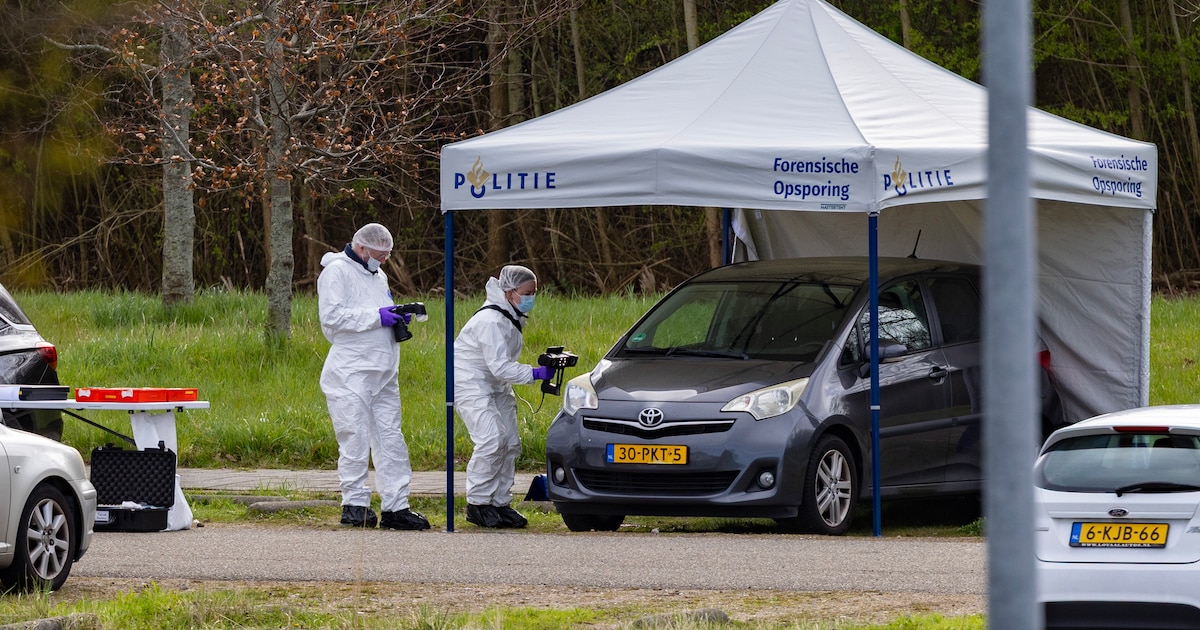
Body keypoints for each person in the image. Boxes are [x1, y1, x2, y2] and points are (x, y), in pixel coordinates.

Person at [317, 222, 430, 530]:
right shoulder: (336, 272)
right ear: (362, 248)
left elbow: (378, 312)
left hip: (383, 370)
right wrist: (376, 317)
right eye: (379, 255)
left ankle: (396, 506)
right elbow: (331, 319)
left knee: (391, 438)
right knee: (354, 436)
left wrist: (396, 316)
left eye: (387, 255)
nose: (383, 261)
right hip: (350, 371)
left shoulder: (376, 274)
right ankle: (354, 504)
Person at [454, 264, 553, 528]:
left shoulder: (509, 317)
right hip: (471, 383)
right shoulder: (491, 320)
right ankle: (478, 503)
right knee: (491, 440)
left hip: (494, 383)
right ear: (509, 293)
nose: (532, 297)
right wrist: (535, 373)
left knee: (510, 442)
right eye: (527, 292)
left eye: (534, 292)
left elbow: (498, 370)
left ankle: (500, 503)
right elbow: (499, 365)